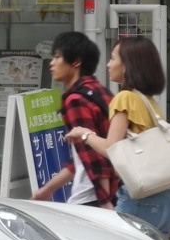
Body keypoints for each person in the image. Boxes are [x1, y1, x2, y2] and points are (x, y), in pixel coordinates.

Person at [67, 36, 170, 233]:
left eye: (112, 58)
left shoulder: (124, 98)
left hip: (139, 199)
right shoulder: (148, 101)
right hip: (167, 200)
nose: (108, 65)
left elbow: (112, 148)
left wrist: (84, 134)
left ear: (126, 65)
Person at [32, 32, 116, 208]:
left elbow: (92, 156)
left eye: (57, 57)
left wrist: (105, 202)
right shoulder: (101, 92)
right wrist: (49, 189)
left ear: (76, 62)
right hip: (113, 189)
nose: (52, 63)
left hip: (90, 197)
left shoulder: (75, 100)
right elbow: (80, 156)